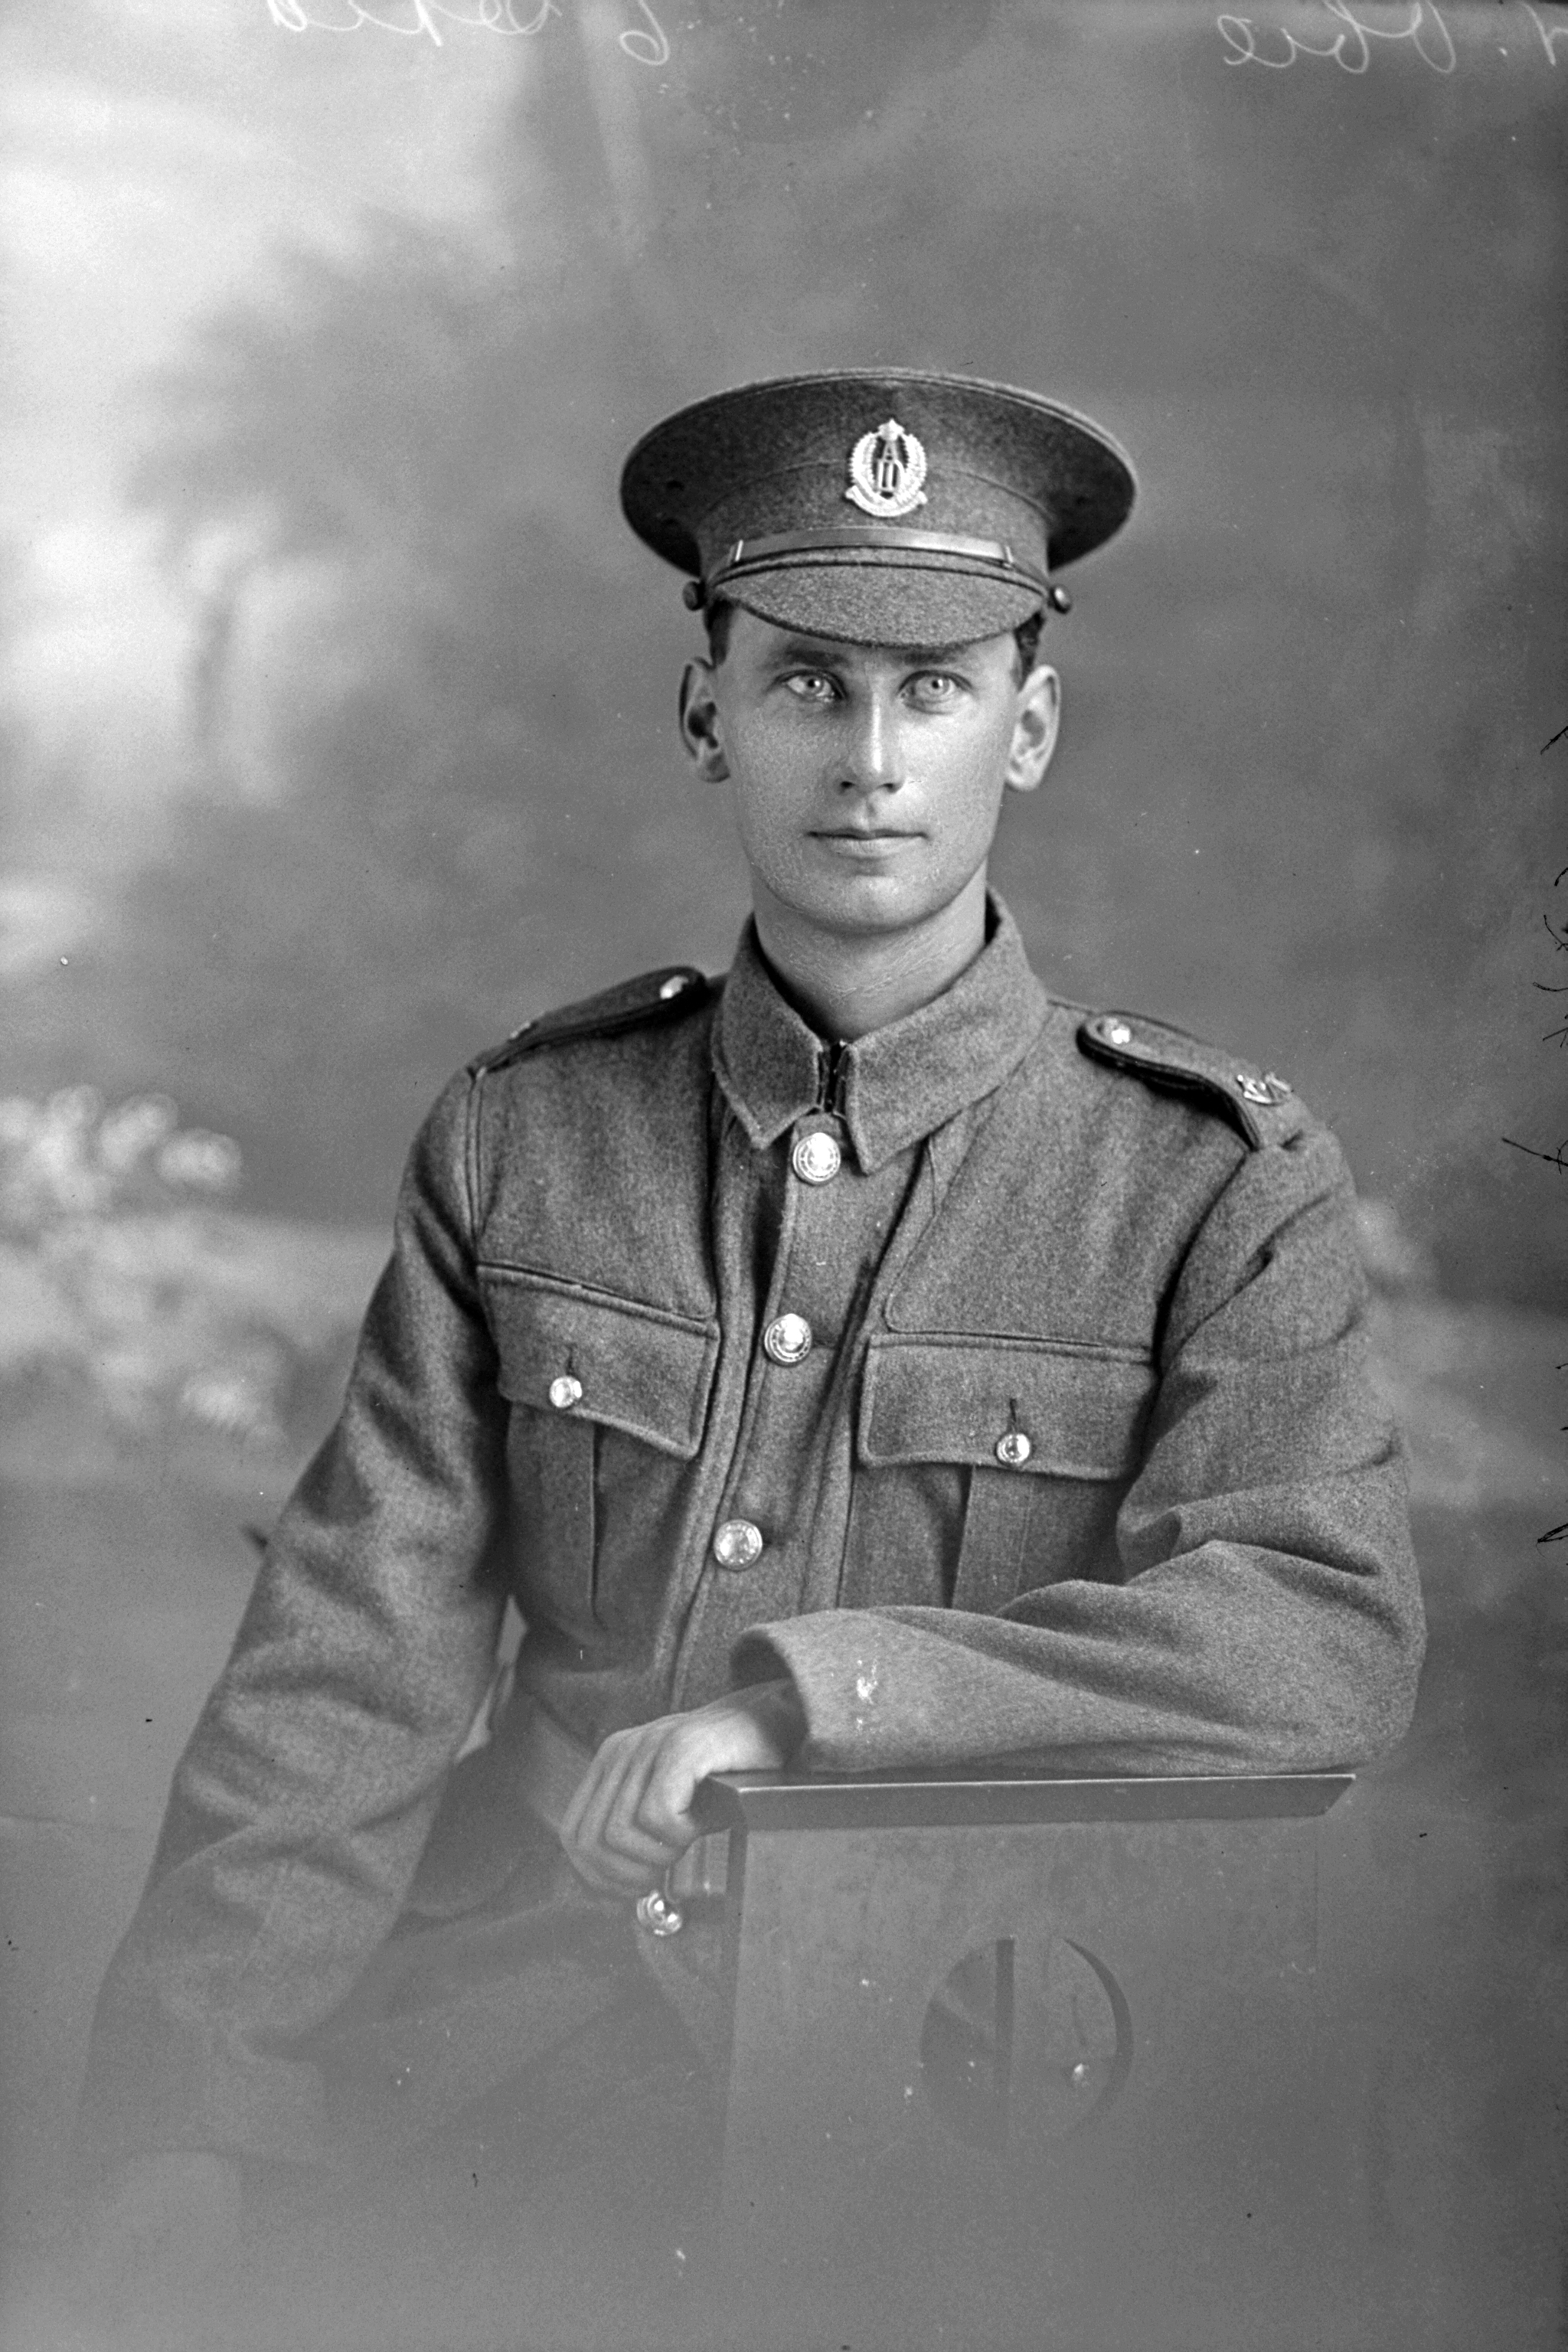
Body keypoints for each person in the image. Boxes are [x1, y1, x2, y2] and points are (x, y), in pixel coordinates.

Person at [70, 370, 1424, 2327]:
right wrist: (187, 2122)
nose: (868, 757)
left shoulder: (1208, 1185)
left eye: (934, 690)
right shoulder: (526, 1135)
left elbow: (1314, 1635)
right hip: (500, 2045)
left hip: (957, 2082)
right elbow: (342, 1673)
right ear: (704, 709)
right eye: (805, 682)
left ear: (1026, 726)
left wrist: (799, 1713)